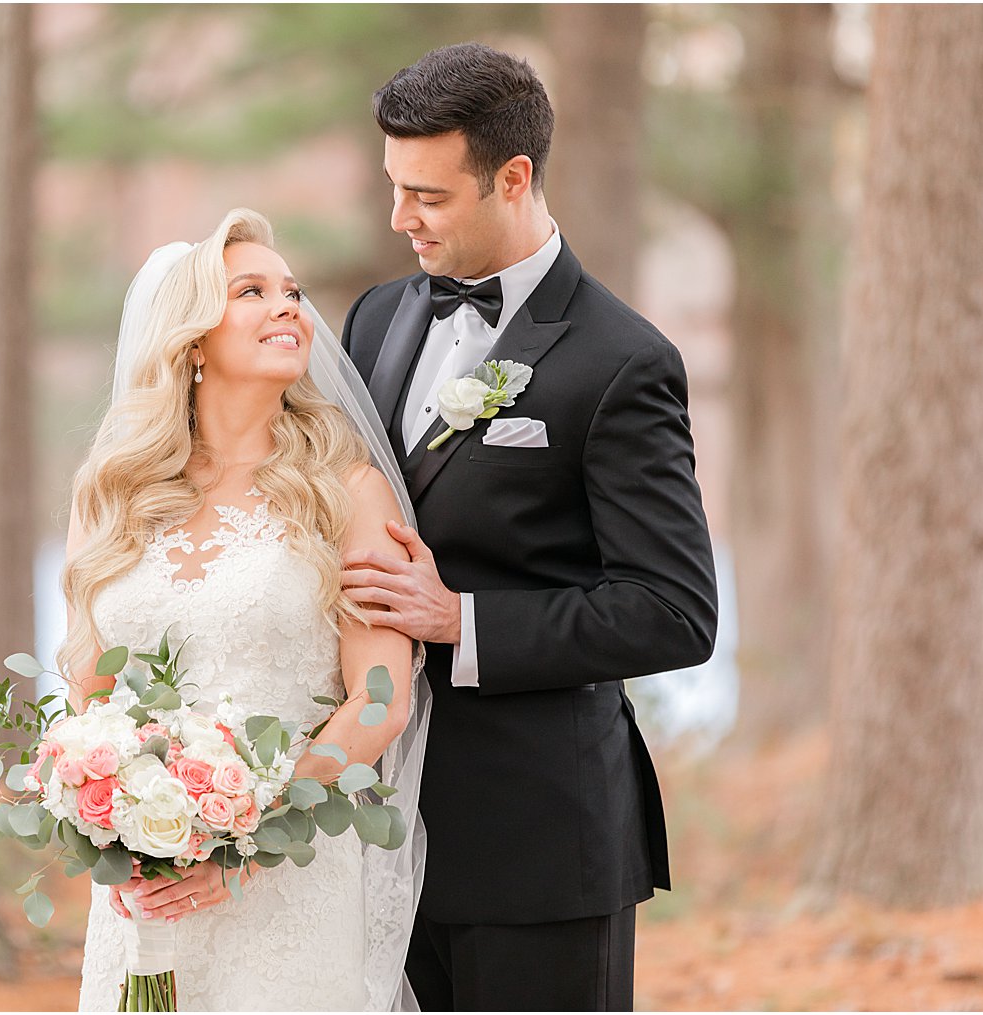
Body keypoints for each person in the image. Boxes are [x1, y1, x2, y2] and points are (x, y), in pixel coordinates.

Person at [338, 44, 719, 1010]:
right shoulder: (376, 319)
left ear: (512, 179)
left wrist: (459, 621)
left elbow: (673, 610)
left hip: (539, 845)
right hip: (374, 839)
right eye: (393, 187)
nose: (399, 219)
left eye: (427, 195)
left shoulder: (622, 361)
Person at [61, 208, 430, 1011]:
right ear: (193, 339)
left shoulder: (347, 493)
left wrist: (247, 845)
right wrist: (113, 821)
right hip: (141, 884)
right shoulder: (112, 493)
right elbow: (86, 686)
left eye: (292, 291)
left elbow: (380, 698)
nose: (288, 306)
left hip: (291, 875)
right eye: (251, 291)